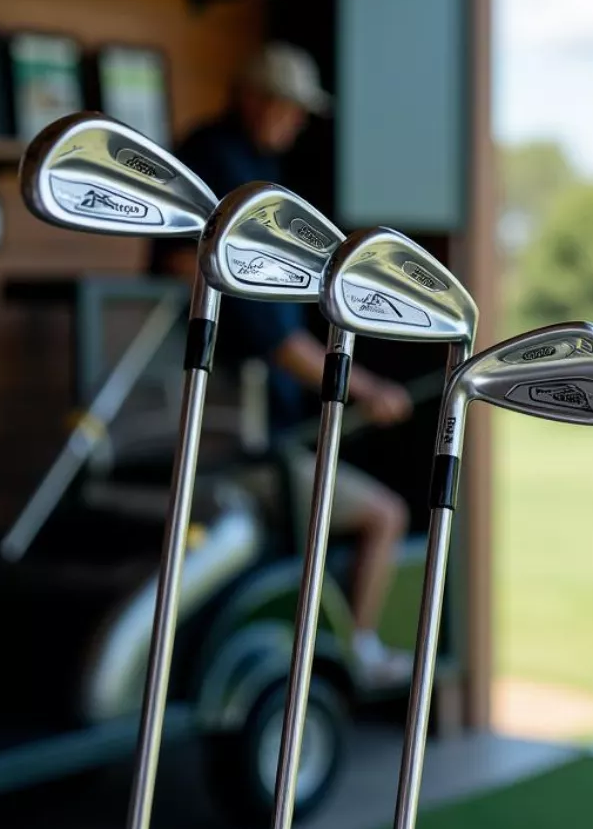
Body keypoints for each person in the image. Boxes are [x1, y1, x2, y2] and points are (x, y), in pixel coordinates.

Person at [150, 41, 414, 689]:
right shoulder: (228, 171)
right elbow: (275, 340)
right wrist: (366, 388)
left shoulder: (245, 165)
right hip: (238, 443)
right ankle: (358, 652)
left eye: (299, 111)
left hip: (250, 431)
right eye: (287, 107)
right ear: (253, 98)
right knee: (386, 515)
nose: (294, 122)